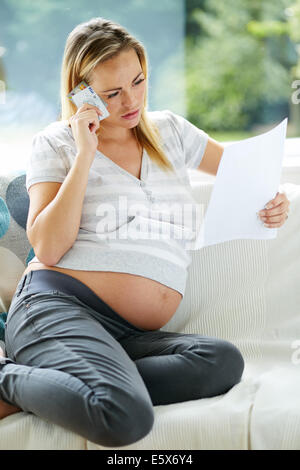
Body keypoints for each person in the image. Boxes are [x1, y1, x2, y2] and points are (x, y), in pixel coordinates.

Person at [0, 17, 290, 447]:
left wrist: (272, 198)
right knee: (121, 416)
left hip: (129, 336)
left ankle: (72, 384)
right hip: (58, 309)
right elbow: (49, 246)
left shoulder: (170, 131)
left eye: (138, 82)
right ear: (80, 94)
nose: (131, 101)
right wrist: (85, 155)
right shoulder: (56, 144)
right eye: (111, 93)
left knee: (221, 360)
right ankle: (7, 380)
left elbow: (247, 174)